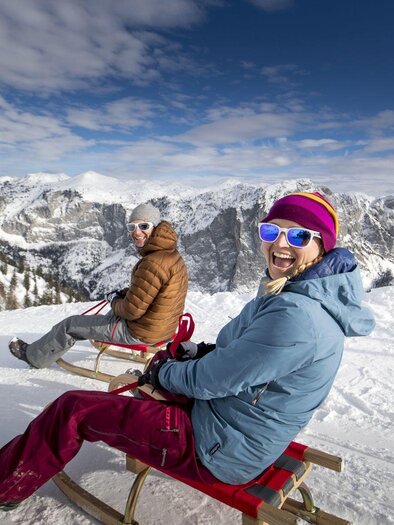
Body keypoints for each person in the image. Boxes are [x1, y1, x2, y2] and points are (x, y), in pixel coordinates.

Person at [0, 191, 375, 511]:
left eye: (298, 235)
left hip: (215, 448)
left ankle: (6, 485)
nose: (280, 243)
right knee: (159, 376)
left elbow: (212, 380)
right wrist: (202, 351)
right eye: (271, 230)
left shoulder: (297, 315)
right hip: (232, 426)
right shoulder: (298, 295)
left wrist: (162, 373)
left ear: (323, 245)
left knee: (73, 408)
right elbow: (247, 359)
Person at [8, 202, 188, 369]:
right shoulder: (170, 255)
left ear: (155, 227)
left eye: (143, 226)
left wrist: (114, 301)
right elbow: (154, 292)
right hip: (163, 328)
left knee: (70, 325)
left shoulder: (152, 263)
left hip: (141, 331)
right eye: (131, 227)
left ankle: (34, 357)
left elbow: (132, 311)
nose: (136, 232)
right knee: (108, 316)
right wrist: (125, 294)